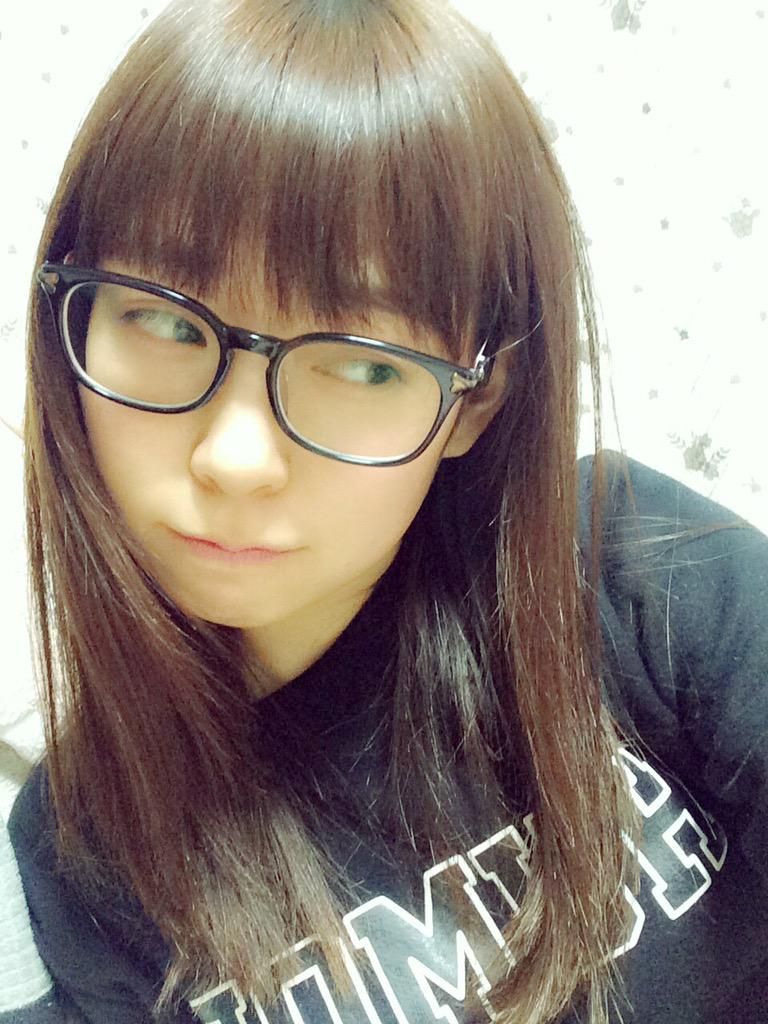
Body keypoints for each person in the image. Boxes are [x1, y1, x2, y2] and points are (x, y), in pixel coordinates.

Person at [5, 0, 768, 1022]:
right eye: (165, 321)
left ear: (473, 402)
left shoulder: (629, 566)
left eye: (364, 364)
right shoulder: (82, 855)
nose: (234, 458)